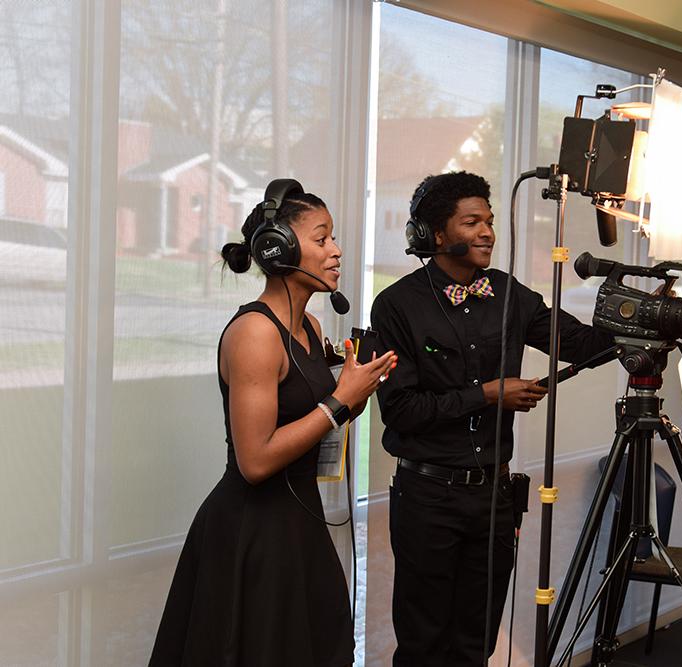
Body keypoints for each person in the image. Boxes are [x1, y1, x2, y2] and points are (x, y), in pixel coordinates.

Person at [370, 171, 614, 665]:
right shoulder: (397, 305)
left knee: (476, 642)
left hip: (494, 497)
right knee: (424, 643)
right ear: (437, 235)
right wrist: (486, 394)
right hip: (427, 498)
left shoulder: (509, 294)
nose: (487, 233)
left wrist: (639, 319)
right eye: (472, 222)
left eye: (490, 221)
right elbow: (401, 411)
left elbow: (582, 345)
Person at [150, 180, 397, 667]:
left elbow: (321, 424)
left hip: (299, 521)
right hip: (251, 530)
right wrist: (338, 401)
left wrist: (354, 392)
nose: (336, 250)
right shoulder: (255, 334)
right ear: (278, 248)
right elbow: (256, 461)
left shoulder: (311, 329)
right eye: (322, 238)